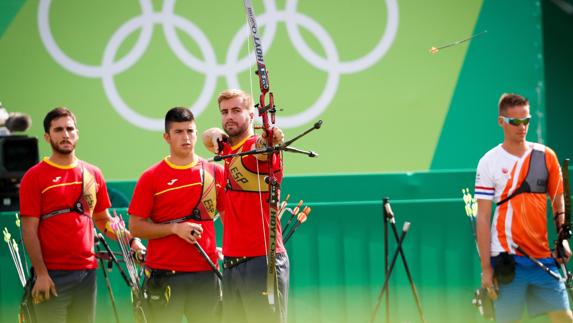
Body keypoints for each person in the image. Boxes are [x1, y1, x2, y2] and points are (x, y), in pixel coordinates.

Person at [19, 107, 144, 323]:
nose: (65, 134)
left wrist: (131, 241)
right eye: (58, 130)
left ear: (77, 133)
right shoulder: (34, 176)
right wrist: (41, 274)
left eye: (70, 129)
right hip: (52, 276)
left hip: (87, 274)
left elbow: (103, 221)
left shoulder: (93, 173)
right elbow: (29, 228)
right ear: (48, 137)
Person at [475, 93, 573, 323]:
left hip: (543, 258)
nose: (522, 127)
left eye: (526, 121)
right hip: (507, 259)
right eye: (515, 122)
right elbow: (483, 217)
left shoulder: (546, 156)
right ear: (501, 121)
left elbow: (558, 202)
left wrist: (563, 238)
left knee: (565, 318)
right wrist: (486, 268)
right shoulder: (489, 161)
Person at [128, 107, 225, 323]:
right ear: (167, 137)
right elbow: (136, 227)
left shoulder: (214, 172)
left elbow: (228, 218)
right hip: (164, 274)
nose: (186, 137)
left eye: (190, 131)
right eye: (178, 132)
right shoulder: (151, 177)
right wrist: (174, 229)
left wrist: (226, 249)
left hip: (206, 273)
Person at [203, 89, 288, 323]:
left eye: (237, 111)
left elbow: (262, 147)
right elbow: (208, 137)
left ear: (252, 115)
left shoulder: (255, 149)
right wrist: (213, 134)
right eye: (224, 112)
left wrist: (270, 138)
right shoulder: (228, 148)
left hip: (262, 261)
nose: (229, 116)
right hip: (231, 261)